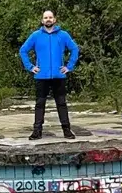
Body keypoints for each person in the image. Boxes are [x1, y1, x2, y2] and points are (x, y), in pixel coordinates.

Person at [19, 9, 79, 139]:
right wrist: (30, 67)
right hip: (41, 76)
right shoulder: (36, 35)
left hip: (59, 75)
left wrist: (69, 66)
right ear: (42, 21)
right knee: (40, 104)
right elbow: (23, 50)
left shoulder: (63, 35)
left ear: (54, 20)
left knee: (61, 103)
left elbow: (74, 49)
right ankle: (37, 131)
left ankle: (66, 130)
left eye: (50, 17)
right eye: (45, 17)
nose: (48, 19)